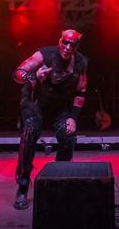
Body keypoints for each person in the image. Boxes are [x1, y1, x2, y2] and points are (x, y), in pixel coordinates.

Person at [11, 29, 88, 210]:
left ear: (77, 46)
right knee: (30, 132)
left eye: (72, 45)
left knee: (68, 135)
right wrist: (34, 77)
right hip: (35, 102)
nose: (67, 48)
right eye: (65, 43)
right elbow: (17, 74)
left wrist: (73, 117)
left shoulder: (80, 62)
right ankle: (23, 186)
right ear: (59, 41)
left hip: (59, 105)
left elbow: (81, 92)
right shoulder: (44, 54)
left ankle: (59, 181)